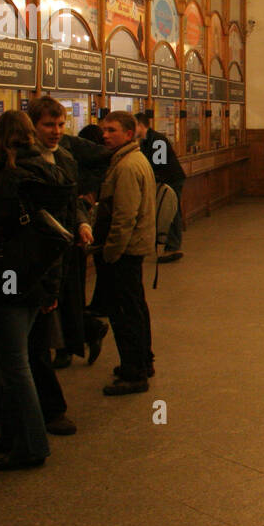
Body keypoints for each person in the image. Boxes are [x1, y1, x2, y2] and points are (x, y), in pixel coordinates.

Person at [0, 111, 72, 470]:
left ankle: (32, 445)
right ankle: (11, 436)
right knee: (16, 363)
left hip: (2, 284)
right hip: (34, 281)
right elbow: (56, 237)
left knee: (13, 368)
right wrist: (51, 288)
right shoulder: (50, 174)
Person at [29, 97, 110, 373]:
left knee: (64, 298)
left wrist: (82, 223)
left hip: (64, 242)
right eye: (49, 125)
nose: (56, 130)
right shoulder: (25, 158)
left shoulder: (64, 156)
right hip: (38, 245)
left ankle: (69, 345)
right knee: (54, 302)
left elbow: (72, 198)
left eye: (61, 124)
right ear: (33, 126)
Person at [96, 111, 157, 395]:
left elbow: (124, 216)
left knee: (124, 312)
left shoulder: (127, 166)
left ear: (129, 134)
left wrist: (110, 252)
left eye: (112, 130)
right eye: (103, 130)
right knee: (135, 306)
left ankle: (134, 372)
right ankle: (143, 361)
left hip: (125, 251)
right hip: (132, 248)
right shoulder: (131, 160)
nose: (105, 135)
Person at [135, 111, 186, 263]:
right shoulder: (145, 141)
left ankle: (173, 246)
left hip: (171, 180)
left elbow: (160, 165)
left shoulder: (157, 141)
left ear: (141, 126)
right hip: (163, 180)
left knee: (171, 210)